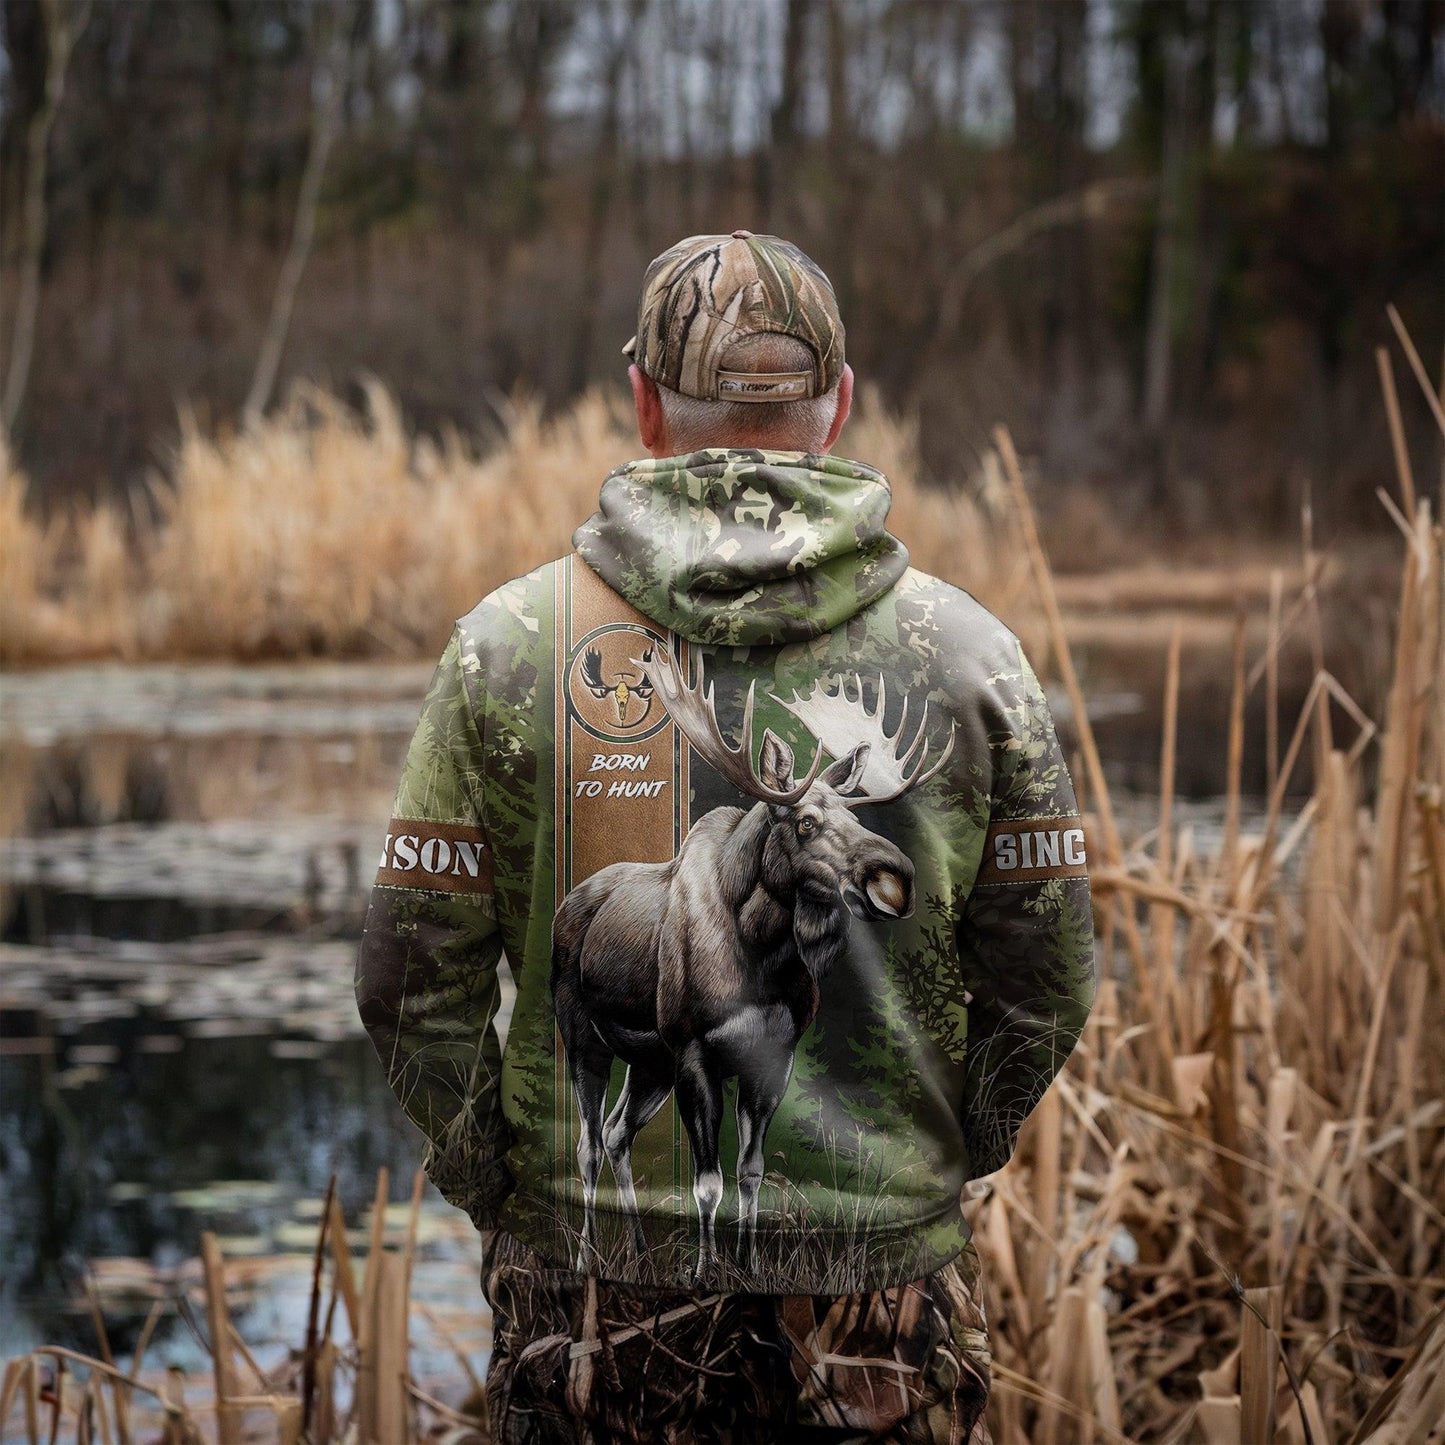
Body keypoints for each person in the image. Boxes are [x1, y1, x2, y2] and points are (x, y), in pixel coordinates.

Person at [355, 230, 1096, 1444]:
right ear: (839, 405)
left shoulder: (507, 646)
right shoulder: (973, 659)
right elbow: (1050, 977)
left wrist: (506, 1186)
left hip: (589, 1304)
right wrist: (947, 1149)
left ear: (641, 400)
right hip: (881, 1308)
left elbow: (403, 981)